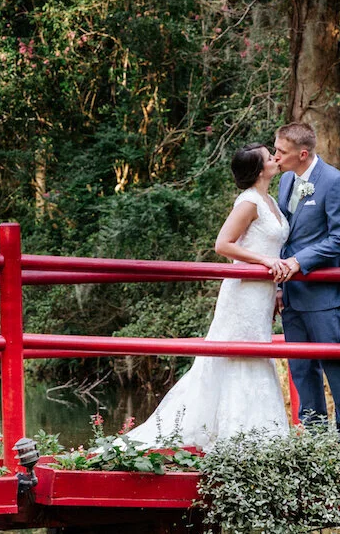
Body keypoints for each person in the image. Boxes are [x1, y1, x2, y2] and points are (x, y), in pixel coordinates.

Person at [121, 144, 292, 450]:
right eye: (269, 157)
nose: (275, 159)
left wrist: (276, 285)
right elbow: (223, 245)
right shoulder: (249, 202)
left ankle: (262, 435)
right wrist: (264, 262)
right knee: (236, 356)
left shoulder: (271, 201)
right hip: (243, 293)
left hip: (263, 294)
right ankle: (233, 435)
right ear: (259, 170)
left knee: (256, 356)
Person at [268, 123, 340, 439]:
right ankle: (315, 435)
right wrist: (280, 287)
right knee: (300, 367)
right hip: (292, 293)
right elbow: (284, 236)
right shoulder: (284, 181)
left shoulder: (334, 182)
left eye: (281, 151)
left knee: (334, 362)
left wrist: (300, 261)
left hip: (323, 292)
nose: (275, 156)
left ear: (302, 154)